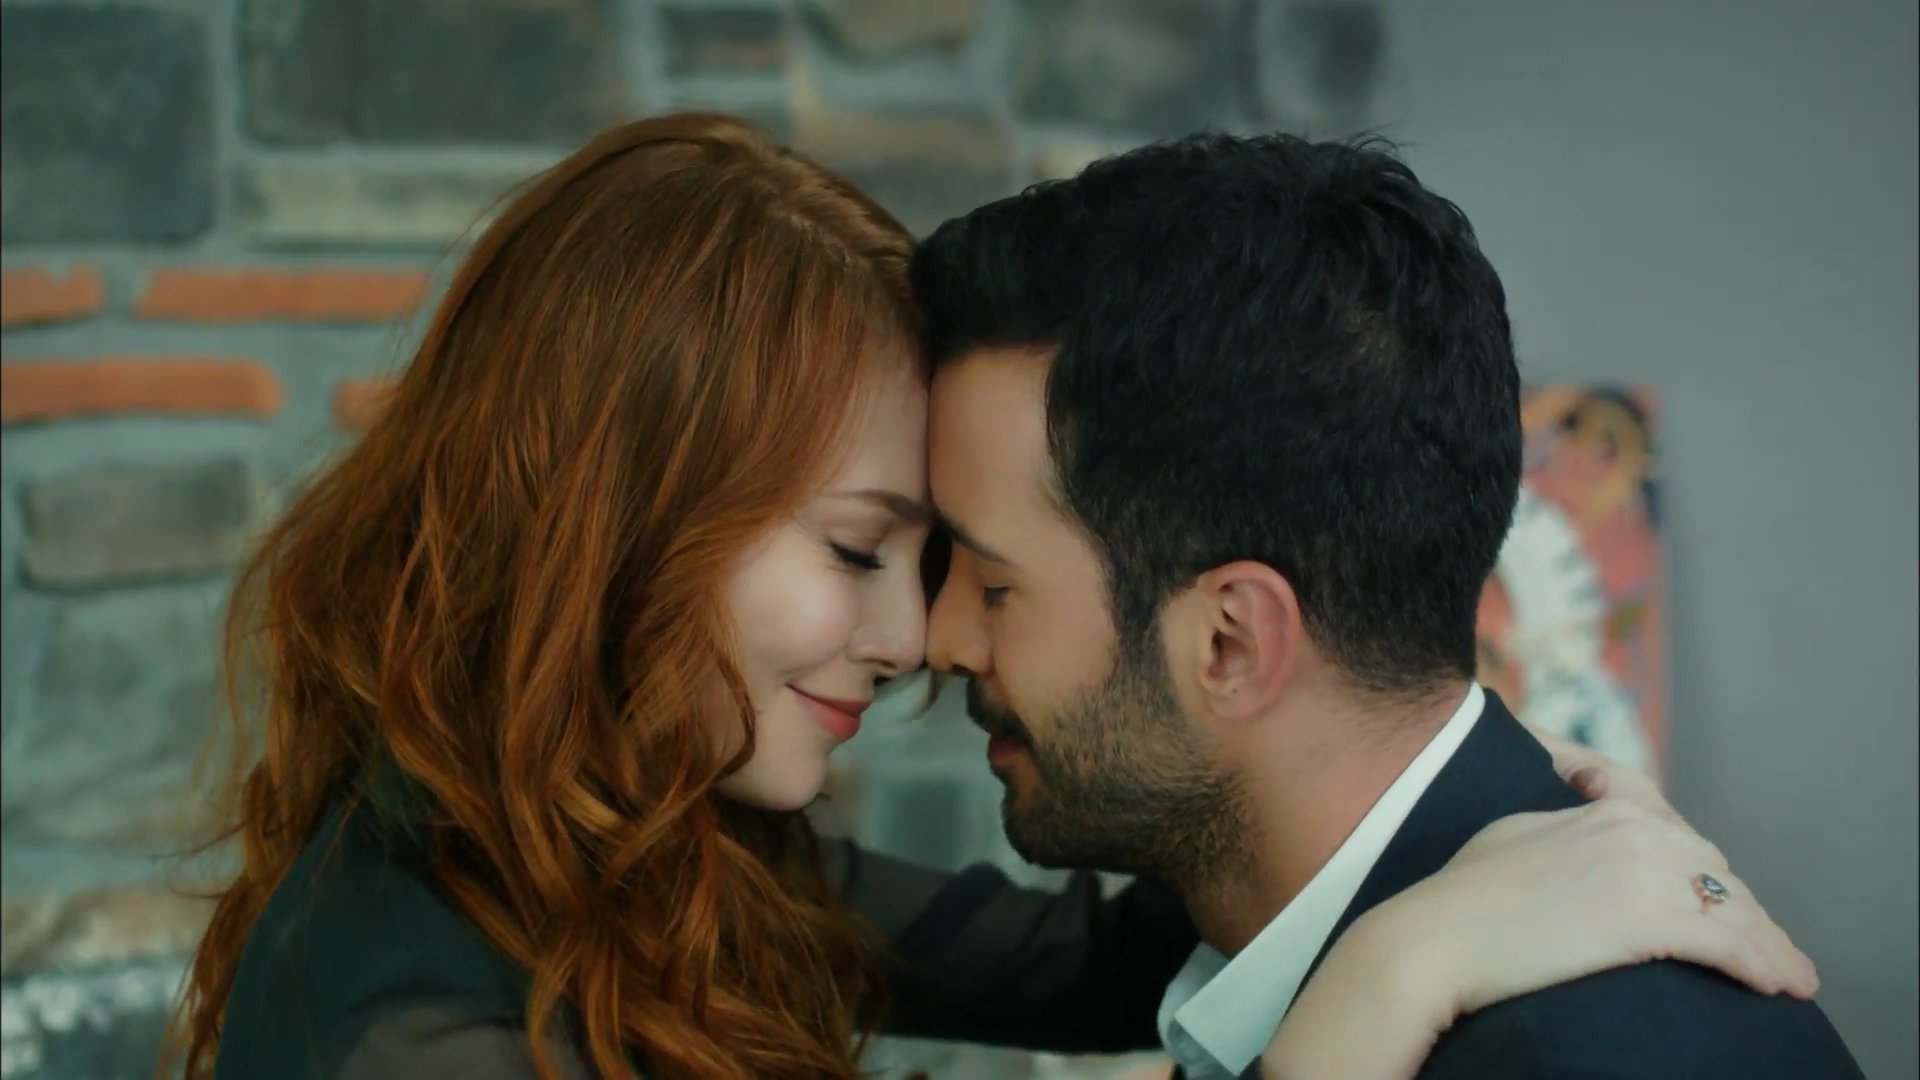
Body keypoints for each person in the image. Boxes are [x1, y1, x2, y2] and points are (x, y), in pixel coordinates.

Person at [168, 113, 1816, 1080]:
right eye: (858, 550)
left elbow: (1090, 956)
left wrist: (1471, 785)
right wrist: (1403, 968)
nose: (916, 641)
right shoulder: (407, 1012)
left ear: (1235, 635)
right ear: (617, 528)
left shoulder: (643, 839)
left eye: (959, 564)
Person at [908, 130, 1862, 1079]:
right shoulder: (1300, 918)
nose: (937, 640)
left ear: (1233, 642)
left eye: (992, 586)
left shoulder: (1588, 1057)